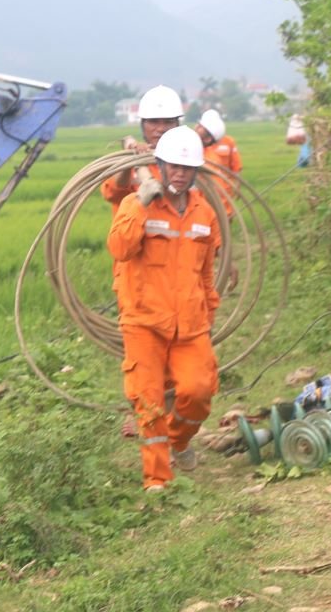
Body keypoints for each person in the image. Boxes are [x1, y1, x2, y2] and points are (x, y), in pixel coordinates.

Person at [107, 126, 221, 492]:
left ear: (195, 172)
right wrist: (140, 202)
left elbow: (205, 274)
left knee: (199, 390)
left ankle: (179, 441)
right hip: (144, 321)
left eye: (186, 167)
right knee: (150, 403)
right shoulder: (135, 204)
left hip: (190, 324)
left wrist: (209, 316)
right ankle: (157, 480)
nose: (179, 172)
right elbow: (120, 249)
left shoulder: (205, 213)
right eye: (173, 165)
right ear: (159, 164)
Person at [101, 85, 183, 216]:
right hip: (134, 233)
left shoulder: (189, 163)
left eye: (168, 122)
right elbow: (113, 195)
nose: (161, 128)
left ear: (177, 125)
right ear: (143, 125)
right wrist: (130, 161)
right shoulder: (129, 161)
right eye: (154, 122)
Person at [195, 109, 242, 218]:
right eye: (198, 126)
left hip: (212, 207)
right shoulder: (189, 147)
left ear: (208, 139)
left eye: (201, 128)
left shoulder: (212, 157)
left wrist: (237, 187)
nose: (197, 128)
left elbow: (236, 166)